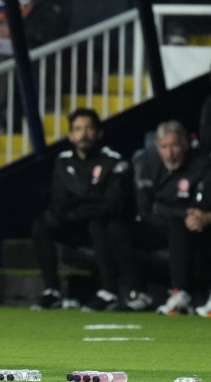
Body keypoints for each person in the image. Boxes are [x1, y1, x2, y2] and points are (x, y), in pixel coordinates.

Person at [32, 108, 150, 312]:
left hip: (106, 225)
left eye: (88, 128)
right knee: (42, 225)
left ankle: (109, 290)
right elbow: (60, 200)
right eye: (77, 129)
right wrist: (66, 213)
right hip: (77, 223)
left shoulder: (114, 160)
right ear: (70, 135)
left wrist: (78, 209)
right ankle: (52, 291)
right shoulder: (63, 161)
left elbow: (112, 204)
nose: (83, 134)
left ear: (99, 133)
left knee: (99, 224)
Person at [134, 120, 211, 315]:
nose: (170, 152)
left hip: (195, 227)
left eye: (175, 145)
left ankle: (183, 293)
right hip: (159, 226)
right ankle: (137, 293)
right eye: (164, 147)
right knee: (117, 228)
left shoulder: (201, 165)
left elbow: (199, 209)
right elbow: (146, 207)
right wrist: (182, 213)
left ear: (185, 145)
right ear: (157, 148)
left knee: (184, 226)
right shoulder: (149, 164)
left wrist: (202, 217)